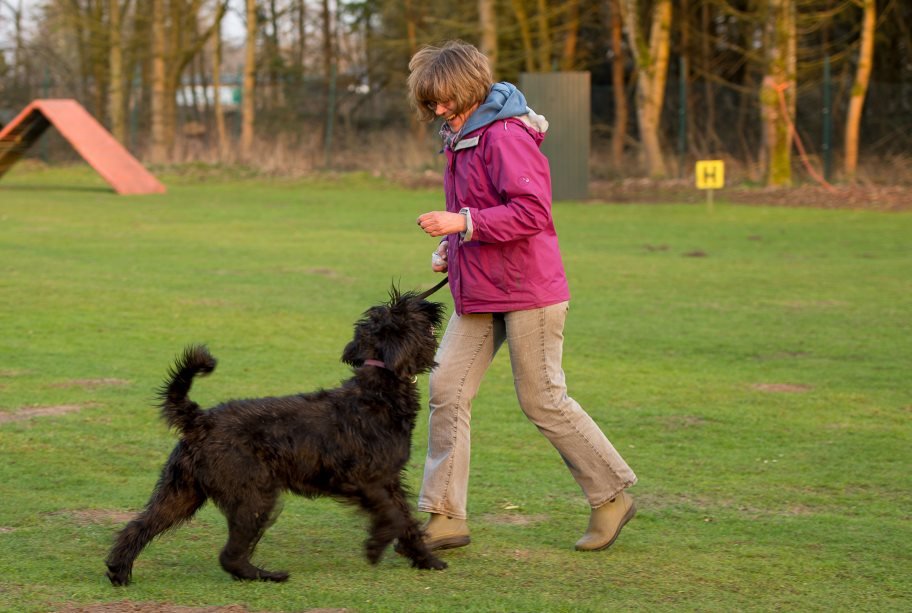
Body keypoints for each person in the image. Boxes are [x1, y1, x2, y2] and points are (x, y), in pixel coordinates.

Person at [408, 40, 638, 553]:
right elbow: (475, 210)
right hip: (481, 288)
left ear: (468, 87)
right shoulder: (459, 135)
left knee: (542, 401)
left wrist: (462, 223)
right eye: (431, 102)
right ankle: (445, 516)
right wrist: (452, 244)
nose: (438, 110)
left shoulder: (505, 135)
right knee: (446, 387)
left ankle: (612, 495)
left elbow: (533, 213)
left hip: (528, 290)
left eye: (444, 99)